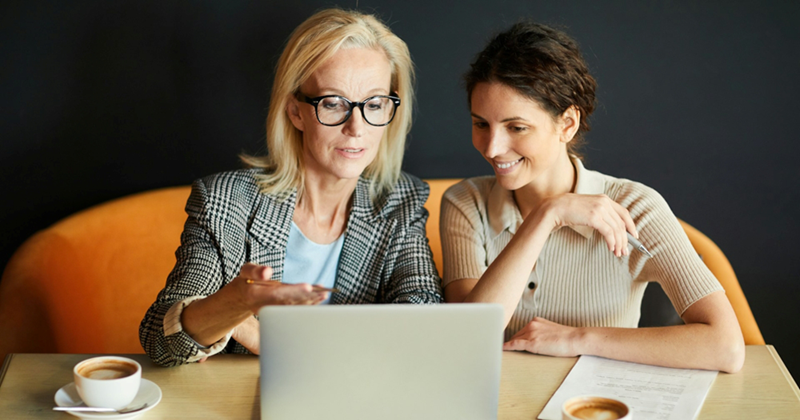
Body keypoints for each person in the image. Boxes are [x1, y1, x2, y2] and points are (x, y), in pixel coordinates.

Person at [140, 8, 442, 367]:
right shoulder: (225, 202)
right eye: (333, 103)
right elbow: (161, 342)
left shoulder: (400, 201)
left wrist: (266, 337)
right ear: (295, 111)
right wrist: (236, 303)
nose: (356, 128)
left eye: (374, 104)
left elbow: (425, 322)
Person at [440, 22, 745, 372]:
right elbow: (467, 341)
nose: (492, 148)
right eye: (481, 124)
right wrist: (547, 215)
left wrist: (577, 338)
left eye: (516, 127)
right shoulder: (464, 203)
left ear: (567, 124)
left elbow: (726, 347)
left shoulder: (637, 207)